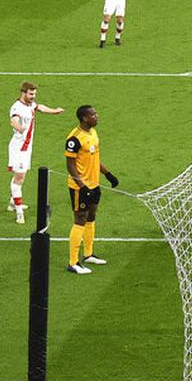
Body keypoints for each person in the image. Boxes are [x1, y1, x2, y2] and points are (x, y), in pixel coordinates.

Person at [64, 106, 118, 275]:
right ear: (84, 118)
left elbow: (95, 158)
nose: (96, 116)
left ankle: (88, 254)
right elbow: (70, 166)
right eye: (93, 114)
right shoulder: (74, 138)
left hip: (94, 184)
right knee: (80, 219)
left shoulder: (93, 133)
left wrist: (108, 174)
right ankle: (73, 262)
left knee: (91, 216)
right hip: (80, 187)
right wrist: (82, 187)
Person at [7, 82, 64, 224]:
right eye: (31, 94)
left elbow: (40, 107)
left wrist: (55, 111)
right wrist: (19, 127)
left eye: (34, 94)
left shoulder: (30, 105)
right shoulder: (17, 107)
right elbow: (13, 121)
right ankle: (19, 212)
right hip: (18, 148)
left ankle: (12, 202)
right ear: (23, 93)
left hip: (26, 148)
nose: (33, 96)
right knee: (19, 178)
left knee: (21, 176)